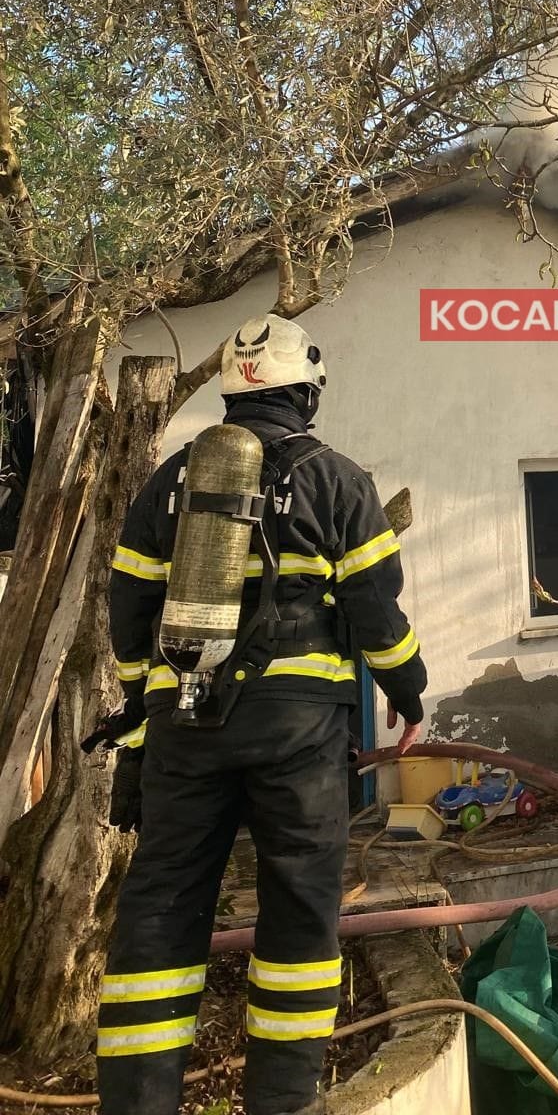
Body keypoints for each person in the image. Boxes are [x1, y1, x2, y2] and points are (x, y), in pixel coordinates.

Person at [89, 314, 427, 1115]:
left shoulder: (167, 484)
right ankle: (282, 1101)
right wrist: (407, 690)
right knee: (299, 914)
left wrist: (141, 732)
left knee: (161, 912)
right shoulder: (338, 482)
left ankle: (137, 1103)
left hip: (185, 729)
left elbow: (129, 616)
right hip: (297, 737)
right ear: (305, 392)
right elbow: (377, 614)